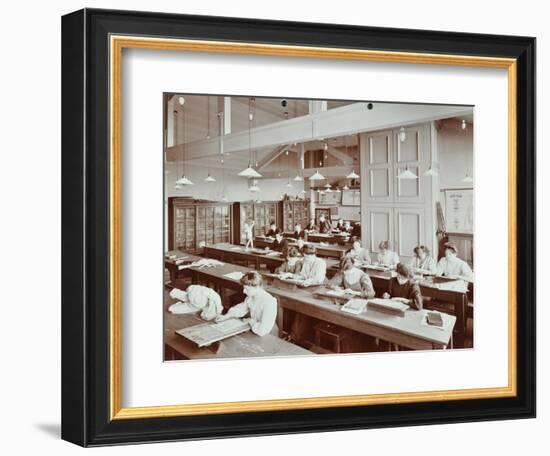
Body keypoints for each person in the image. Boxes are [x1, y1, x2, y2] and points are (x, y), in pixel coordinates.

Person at [215, 271, 277, 337]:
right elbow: (240, 309)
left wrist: (250, 321)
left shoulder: (269, 302)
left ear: (257, 287)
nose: (244, 291)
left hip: (269, 334)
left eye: (247, 289)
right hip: (255, 328)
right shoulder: (251, 297)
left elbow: (262, 330)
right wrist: (226, 316)